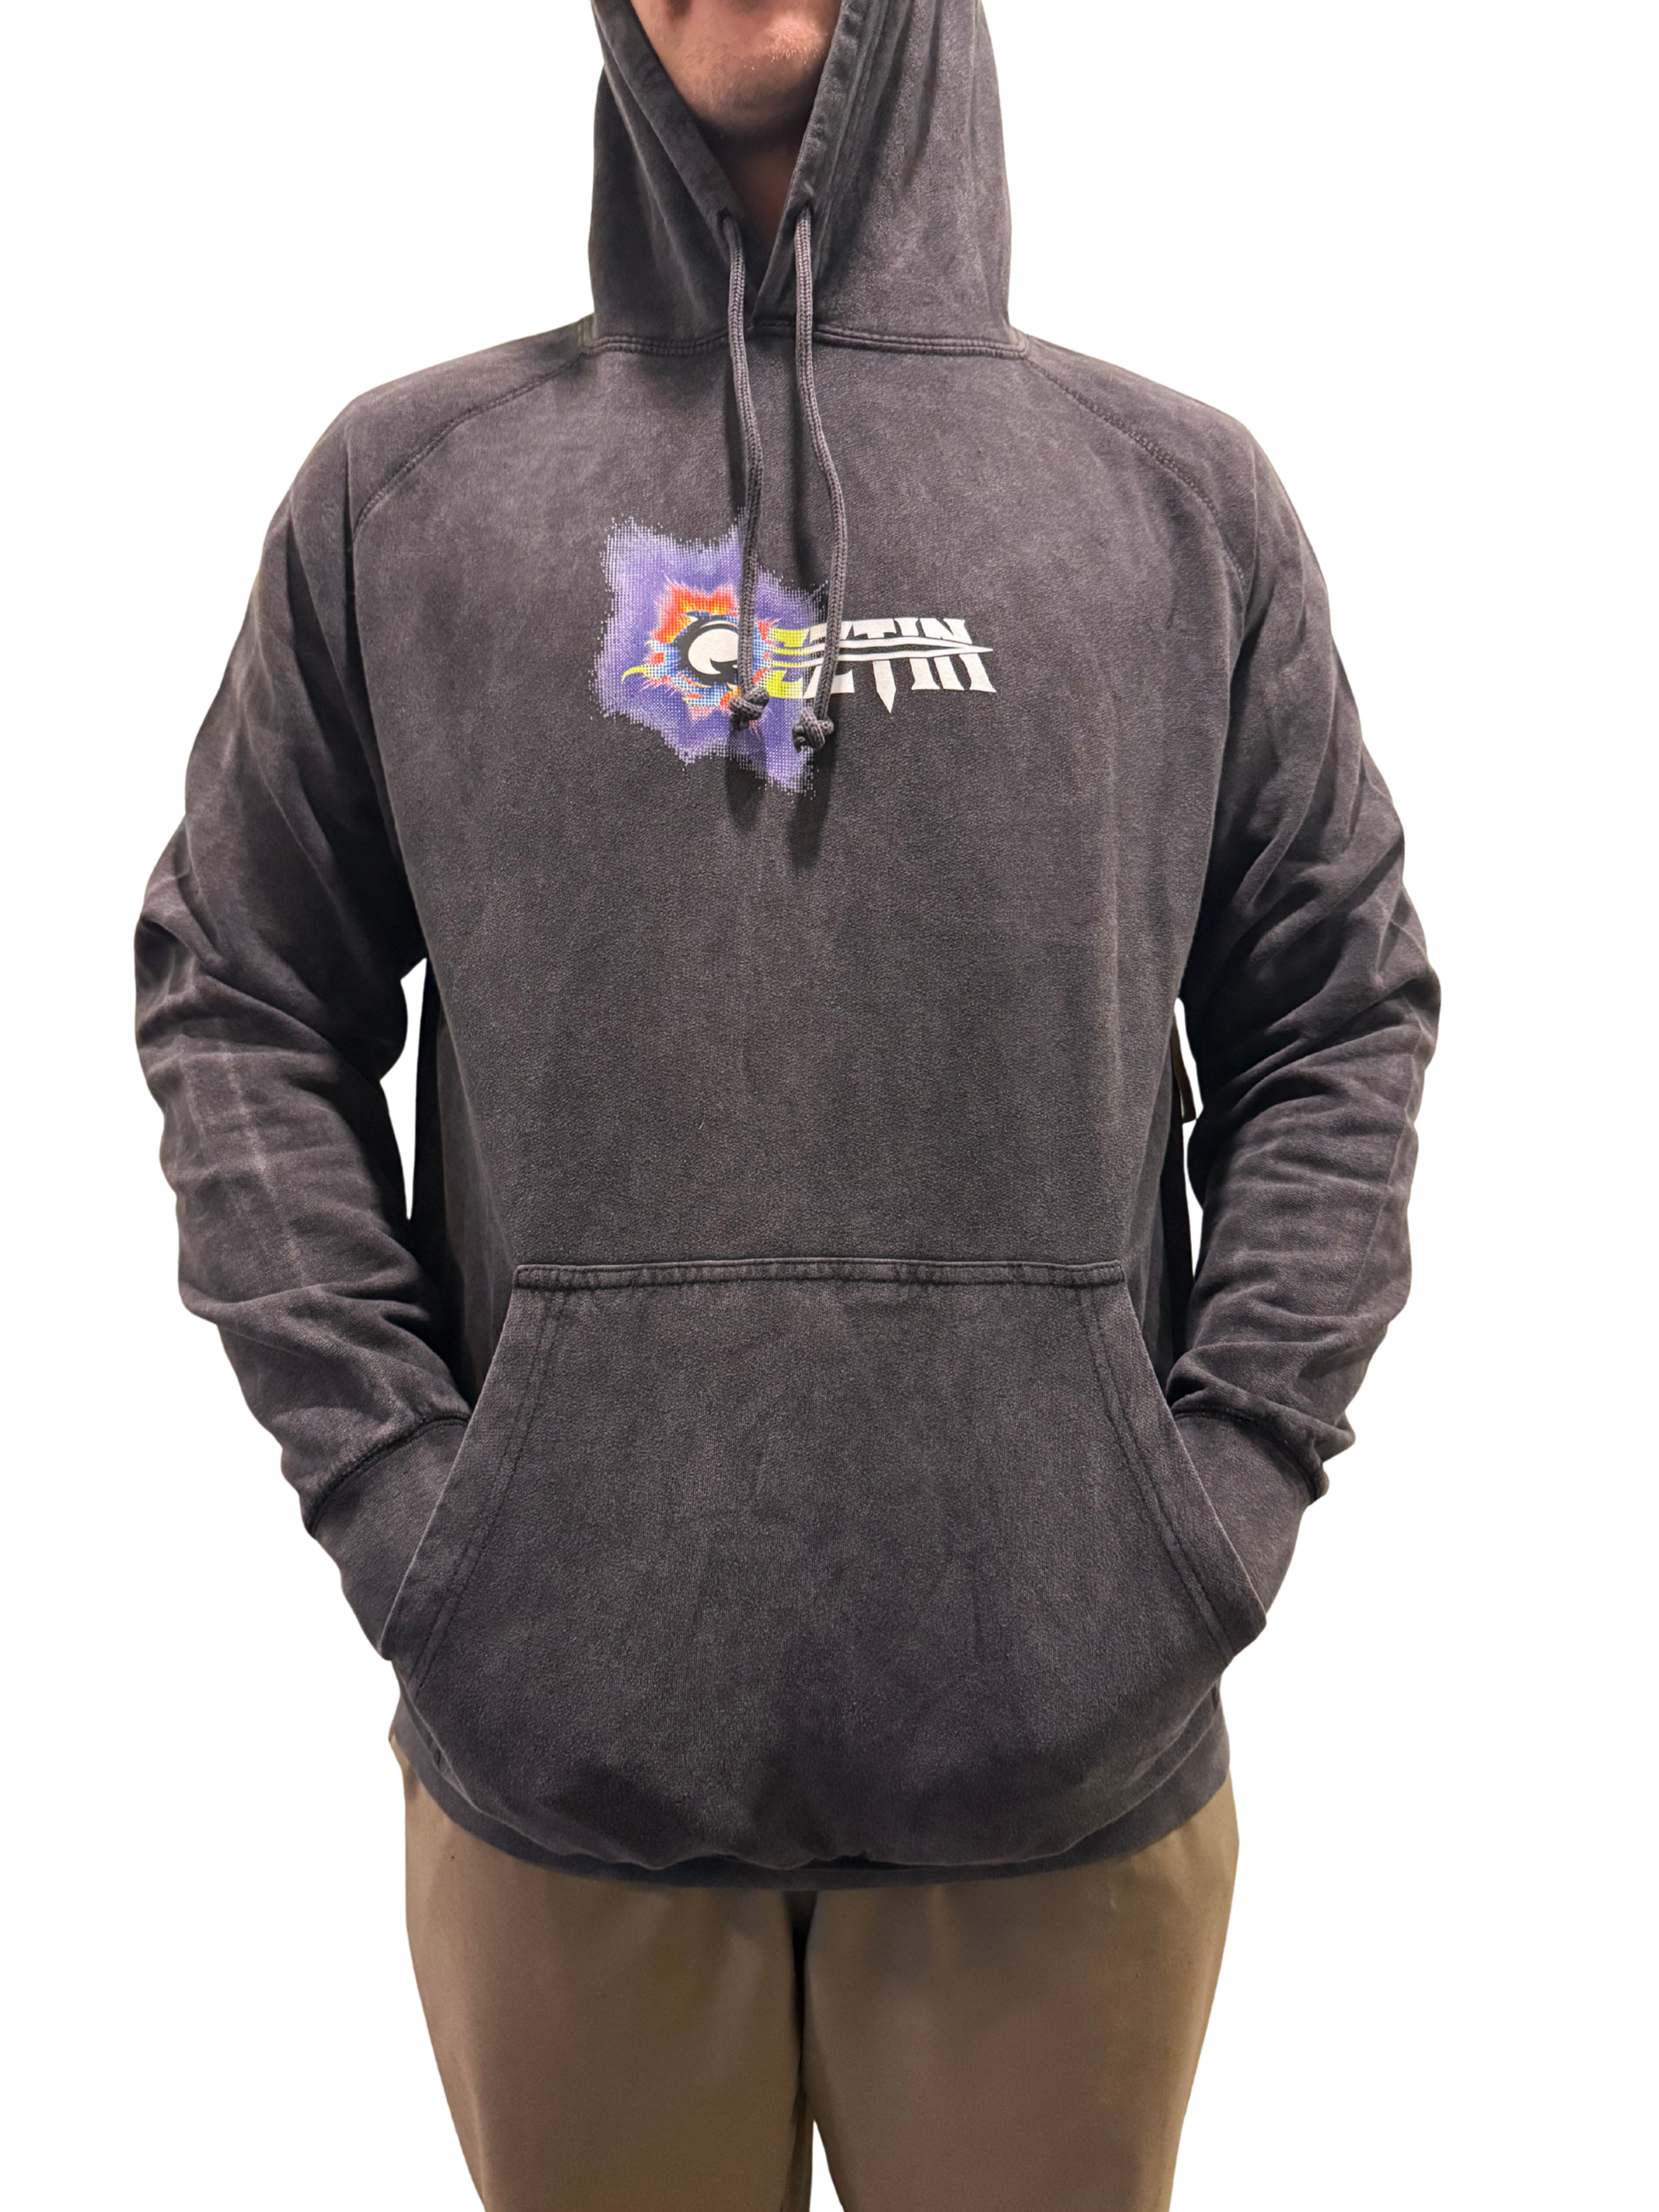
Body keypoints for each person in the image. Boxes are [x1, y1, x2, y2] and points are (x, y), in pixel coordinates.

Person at [134, 0, 1439, 2204]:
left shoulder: (1176, 505)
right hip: (558, 1781)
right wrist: (415, 1513)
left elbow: (1334, 1012)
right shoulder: (407, 495)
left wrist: (1209, 1505)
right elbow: (240, 987)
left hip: (1066, 1779)